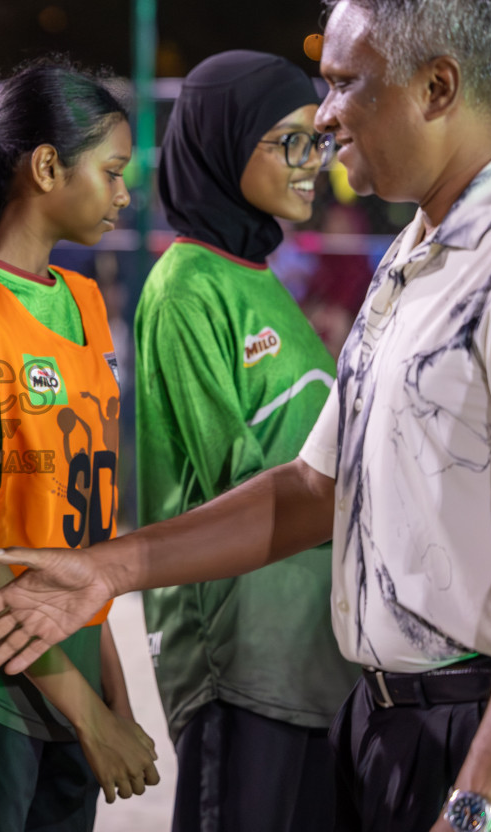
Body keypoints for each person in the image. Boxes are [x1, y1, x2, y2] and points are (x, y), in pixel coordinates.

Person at [0, 0, 491, 832]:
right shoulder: (418, 257)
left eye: (345, 81)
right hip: (388, 721)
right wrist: (105, 570)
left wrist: (476, 808)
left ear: (438, 87)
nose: (325, 117)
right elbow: (317, 488)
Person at [0, 63, 159, 832]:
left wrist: (111, 687)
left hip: (71, 672)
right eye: (112, 173)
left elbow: (81, 537)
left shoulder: (83, 302)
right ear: (48, 167)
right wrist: (89, 713)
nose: (123, 195)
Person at [142, 50, 359, 831]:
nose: (313, 166)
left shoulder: (260, 277)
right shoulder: (186, 287)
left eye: (317, 142)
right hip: (241, 658)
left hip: (310, 655)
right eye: (290, 143)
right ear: (226, 143)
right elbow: (232, 476)